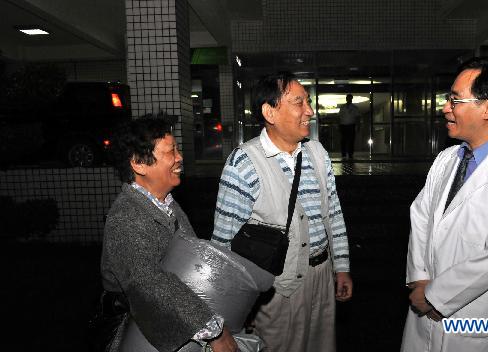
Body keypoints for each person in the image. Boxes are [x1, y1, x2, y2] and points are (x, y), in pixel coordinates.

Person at [400, 57, 488, 352]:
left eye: (455, 100)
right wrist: (419, 280)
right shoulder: (446, 160)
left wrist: (436, 296)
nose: (445, 108)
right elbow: (421, 217)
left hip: (472, 317)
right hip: (423, 308)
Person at [211, 72, 353, 352]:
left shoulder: (318, 153)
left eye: (308, 102)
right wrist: (236, 308)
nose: (309, 111)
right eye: (298, 102)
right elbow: (223, 244)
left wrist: (342, 267)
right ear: (270, 112)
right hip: (277, 288)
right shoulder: (243, 163)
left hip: (322, 277)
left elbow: (333, 215)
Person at [100, 117, 237, 352]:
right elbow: (148, 283)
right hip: (138, 335)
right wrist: (213, 329)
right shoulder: (126, 218)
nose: (179, 157)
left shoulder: (167, 205)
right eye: (171, 151)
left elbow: (193, 260)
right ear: (139, 164)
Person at [338, 93, 361, 159]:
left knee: (351, 140)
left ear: (351, 99)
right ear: (346, 99)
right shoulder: (342, 107)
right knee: (343, 140)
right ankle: (343, 154)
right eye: (347, 98)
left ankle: (350, 154)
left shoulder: (354, 108)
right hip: (343, 125)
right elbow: (339, 117)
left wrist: (358, 126)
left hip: (351, 125)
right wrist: (339, 125)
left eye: (349, 98)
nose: (348, 99)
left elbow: (357, 117)